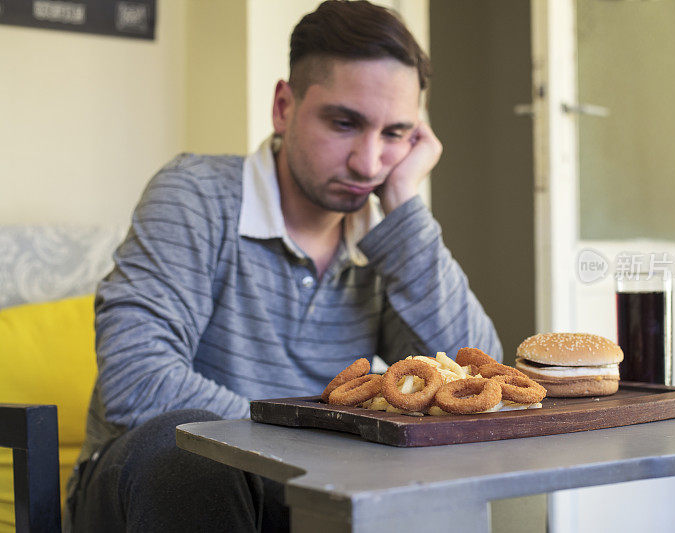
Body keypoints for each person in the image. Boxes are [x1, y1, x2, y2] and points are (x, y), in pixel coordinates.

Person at [66, 1, 501, 531]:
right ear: (282, 106)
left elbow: (478, 387)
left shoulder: (389, 242)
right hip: (150, 487)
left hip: (314, 493)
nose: (368, 164)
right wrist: (317, 449)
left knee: (438, 475)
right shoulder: (196, 194)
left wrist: (405, 209)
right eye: (345, 123)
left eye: (394, 135)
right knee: (192, 446)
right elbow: (138, 385)